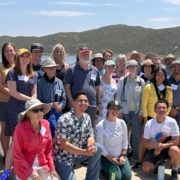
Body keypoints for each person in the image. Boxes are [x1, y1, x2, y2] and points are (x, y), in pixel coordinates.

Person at [1, 48, 37, 179]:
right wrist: (30, 99)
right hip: (15, 109)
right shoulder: (12, 73)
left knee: (25, 139)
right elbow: (13, 93)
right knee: (15, 141)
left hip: (29, 110)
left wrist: (32, 101)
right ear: (18, 58)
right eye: (22, 56)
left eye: (27, 56)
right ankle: (6, 171)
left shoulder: (33, 74)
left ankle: (20, 166)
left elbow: (34, 92)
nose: (25, 58)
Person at [53, 91, 102, 180]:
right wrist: (84, 152)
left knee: (98, 148)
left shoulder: (87, 117)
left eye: (86, 101)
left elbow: (90, 135)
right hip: (63, 159)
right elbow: (64, 145)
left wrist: (90, 145)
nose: (83, 103)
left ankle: (92, 178)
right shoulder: (64, 119)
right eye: (80, 100)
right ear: (74, 103)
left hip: (77, 155)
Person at [13, 99, 60, 180]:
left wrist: (52, 167)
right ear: (28, 113)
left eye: (41, 109)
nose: (40, 112)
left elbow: (49, 149)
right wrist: (31, 172)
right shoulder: (20, 128)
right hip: (25, 167)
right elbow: (18, 155)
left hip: (42, 164)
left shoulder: (46, 124)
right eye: (35, 110)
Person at [142, 99, 180, 180]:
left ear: (167, 110)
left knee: (175, 150)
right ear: (155, 110)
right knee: (146, 168)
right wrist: (156, 145)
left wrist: (162, 146)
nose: (161, 110)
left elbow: (176, 140)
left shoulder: (172, 122)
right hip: (154, 147)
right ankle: (158, 164)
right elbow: (145, 143)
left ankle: (175, 170)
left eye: (164, 108)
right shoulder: (149, 123)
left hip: (167, 147)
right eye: (159, 108)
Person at [115, 60, 145, 160]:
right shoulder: (122, 81)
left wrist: (141, 112)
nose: (132, 68)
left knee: (136, 135)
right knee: (124, 135)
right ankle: (124, 156)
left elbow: (142, 99)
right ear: (127, 68)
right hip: (124, 111)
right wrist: (119, 112)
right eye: (130, 66)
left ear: (137, 68)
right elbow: (118, 97)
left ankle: (136, 157)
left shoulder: (141, 82)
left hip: (136, 113)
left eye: (134, 66)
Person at [64, 47, 101, 127]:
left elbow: (98, 88)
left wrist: (98, 103)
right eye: (83, 54)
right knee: (76, 128)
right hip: (77, 104)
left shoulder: (95, 70)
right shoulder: (71, 69)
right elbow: (67, 87)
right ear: (79, 56)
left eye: (87, 54)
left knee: (90, 128)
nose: (85, 56)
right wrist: (71, 102)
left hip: (92, 105)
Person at [95, 100, 132, 180]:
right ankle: (104, 169)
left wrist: (123, 155)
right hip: (106, 157)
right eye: (113, 108)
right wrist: (110, 158)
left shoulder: (122, 123)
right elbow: (100, 146)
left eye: (117, 109)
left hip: (120, 156)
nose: (115, 111)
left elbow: (125, 141)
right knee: (116, 178)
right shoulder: (101, 125)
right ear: (108, 109)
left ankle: (111, 170)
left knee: (127, 177)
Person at [37, 58, 66, 137]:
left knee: (59, 135)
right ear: (44, 69)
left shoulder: (59, 82)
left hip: (58, 114)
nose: (52, 70)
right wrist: (50, 105)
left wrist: (60, 106)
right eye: (49, 68)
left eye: (53, 68)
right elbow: (38, 101)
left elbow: (64, 99)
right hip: (45, 115)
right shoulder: (40, 83)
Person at [0, 42, 16, 160]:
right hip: (5, 102)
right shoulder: (1, 67)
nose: (9, 53)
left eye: (11, 50)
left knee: (17, 129)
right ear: (3, 53)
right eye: (7, 51)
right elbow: (0, 86)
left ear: (15, 51)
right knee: (5, 130)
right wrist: (14, 94)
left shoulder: (20, 65)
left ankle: (16, 155)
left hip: (18, 103)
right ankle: (6, 156)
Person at [169, 60, 180, 128]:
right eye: (174, 66)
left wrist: (176, 108)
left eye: (179, 66)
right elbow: (163, 96)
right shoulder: (167, 80)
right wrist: (170, 109)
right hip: (169, 112)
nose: (176, 68)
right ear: (171, 68)